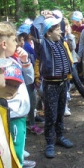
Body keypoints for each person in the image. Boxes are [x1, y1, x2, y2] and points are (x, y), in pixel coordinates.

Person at [0, 23, 44, 168]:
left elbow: (27, 80)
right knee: (13, 156)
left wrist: (26, 61)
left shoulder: (12, 60)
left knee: (16, 154)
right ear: (4, 43)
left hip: (18, 115)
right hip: (10, 116)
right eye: (14, 40)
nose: (18, 44)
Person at [31, 12, 74, 159]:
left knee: (60, 112)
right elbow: (35, 28)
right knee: (51, 115)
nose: (61, 31)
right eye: (57, 29)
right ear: (49, 33)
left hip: (63, 83)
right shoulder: (42, 44)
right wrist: (42, 17)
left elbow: (61, 23)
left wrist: (54, 15)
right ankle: (49, 142)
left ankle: (60, 136)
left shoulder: (60, 41)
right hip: (50, 85)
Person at [63, 18, 84, 106]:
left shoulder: (69, 36)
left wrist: (69, 37)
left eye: (67, 26)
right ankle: (65, 104)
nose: (66, 28)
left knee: (77, 80)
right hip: (63, 63)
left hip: (71, 61)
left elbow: (73, 47)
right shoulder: (59, 38)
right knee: (65, 83)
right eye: (64, 26)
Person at [70, 11, 84, 82]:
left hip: (82, 48)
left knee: (82, 63)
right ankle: (77, 76)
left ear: (81, 19)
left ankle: (83, 76)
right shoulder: (72, 28)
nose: (76, 22)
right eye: (75, 21)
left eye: (78, 21)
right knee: (76, 62)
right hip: (74, 48)